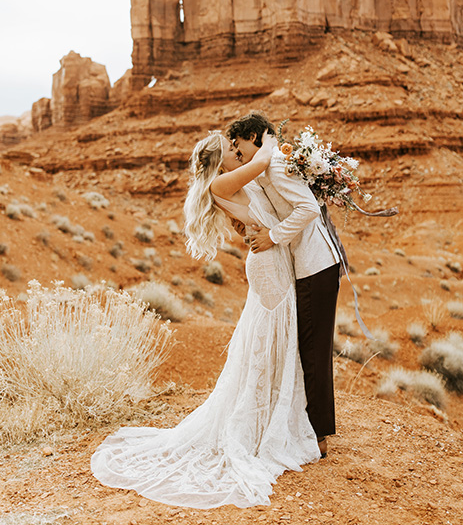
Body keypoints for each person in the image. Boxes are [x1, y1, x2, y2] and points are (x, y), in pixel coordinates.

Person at [90, 131, 321, 509]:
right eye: (232, 150)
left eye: (237, 148)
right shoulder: (221, 182)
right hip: (267, 266)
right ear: (219, 160)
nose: (237, 153)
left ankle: (268, 420)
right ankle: (262, 426)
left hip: (272, 260)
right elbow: (263, 161)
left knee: (269, 339)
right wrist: (269, 137)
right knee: (269, 339)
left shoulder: (232, 180)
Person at [227, 112, 348, 459]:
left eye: (240, 145)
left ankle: (318, 435)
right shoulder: (268, 168)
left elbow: (308, 208)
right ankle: (312, 427)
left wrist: (272, 237)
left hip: (315, 266)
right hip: (309, 266)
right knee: (309, 346)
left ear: (254, 137)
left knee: (313, 350)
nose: (239, 153)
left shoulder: (277, 167)